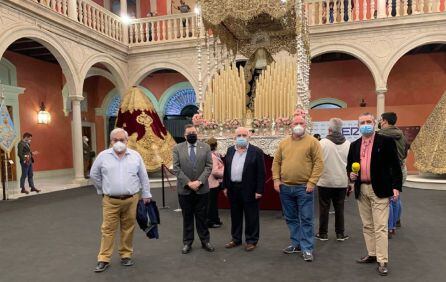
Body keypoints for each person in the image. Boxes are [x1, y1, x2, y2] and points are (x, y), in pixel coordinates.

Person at [347, 112, 402, 276]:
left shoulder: (386, 142)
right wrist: (350, 174)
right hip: (361, 189)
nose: (365, 124)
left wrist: (396, 187)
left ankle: (382, 260)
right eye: (362, 122)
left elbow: (395, 167)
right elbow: (349, 165)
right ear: (358, 126)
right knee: (367, 225)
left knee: (380, 227)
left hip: (380, 189)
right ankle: (372, 254)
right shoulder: (354, 145)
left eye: (368, 121)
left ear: (375, 123)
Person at [90, 128, 152, 273]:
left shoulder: (135, 156)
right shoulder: (103, 156)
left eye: (122, 140)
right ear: (111, 141)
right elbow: (94, 175)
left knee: (128, 228)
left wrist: (146, 193)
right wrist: (102, 189)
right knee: (107, 229)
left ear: (127, 140)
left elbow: (143, 176)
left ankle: (126, 255)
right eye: (115, 140)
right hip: (110, 200)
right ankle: (103, 258)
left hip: (132, 200)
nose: (119, 143)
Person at [272, 115, 324, 262]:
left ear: (305, 125)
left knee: (306, 219)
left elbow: (319, 163)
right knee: (291, 218)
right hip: (286, 188)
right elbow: (276, 163)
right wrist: (276, 180)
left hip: (304, 188)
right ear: (291, 126)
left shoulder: (313, 142)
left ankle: (307, 248)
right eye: (296, 123)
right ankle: (296, 243)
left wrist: (312, 182)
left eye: (301, 123)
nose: (299, 125)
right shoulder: (283, 143)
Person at [173, 124, 214, 254]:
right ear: (185, 135)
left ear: (197, 133)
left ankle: (205, 241)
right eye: (189, 133)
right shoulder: (177, 148)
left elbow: (208, 166)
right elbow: (176, 168)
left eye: (194, 132)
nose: (192, 135)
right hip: (185, 190)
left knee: (202, 217)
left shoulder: (206, 147)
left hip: (202, 190)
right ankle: (187, 243)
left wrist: (199, 181)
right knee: (187, 217)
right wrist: (189, 183)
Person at [222, 127, 266, 252]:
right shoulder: (230, 150)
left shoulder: (256, 151)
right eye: (239, 135)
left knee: (251, 216)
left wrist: (259, 190)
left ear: (249, 137)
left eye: (244, 135)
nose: (241, 137)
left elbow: (261, 173)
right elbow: (226, 170)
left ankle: (251, 240)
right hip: (233, 189)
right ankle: (236, 239)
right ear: (234, 137)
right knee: (235, 215)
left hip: (250, 189)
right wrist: (225, 186)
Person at [315, 118, 350, 242]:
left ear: (329, 129)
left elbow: (316, 162)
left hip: (325, 181)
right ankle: (340, 234)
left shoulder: (322, 143)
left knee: (323, 208)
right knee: (339, 208)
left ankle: (323, 233)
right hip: (341, 181)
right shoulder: (348, 143)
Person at [378, 112, 407, 236]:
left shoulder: (381, 135)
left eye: (380, 120)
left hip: (389, 171)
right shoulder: (401, 134)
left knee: (388, 200)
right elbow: (405, 152)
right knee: (396, 197)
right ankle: (395, 222)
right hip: (401, 168)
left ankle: (389, 228)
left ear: (384, 121)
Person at [206, 137, 224, 228]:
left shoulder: (214, 154)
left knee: (213, 203)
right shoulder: (212, 156)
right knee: (211, 203)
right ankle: (210, 221)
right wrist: (225, 173)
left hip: (213, 182)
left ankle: (215, 219)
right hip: (212, 183)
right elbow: (215, 171)